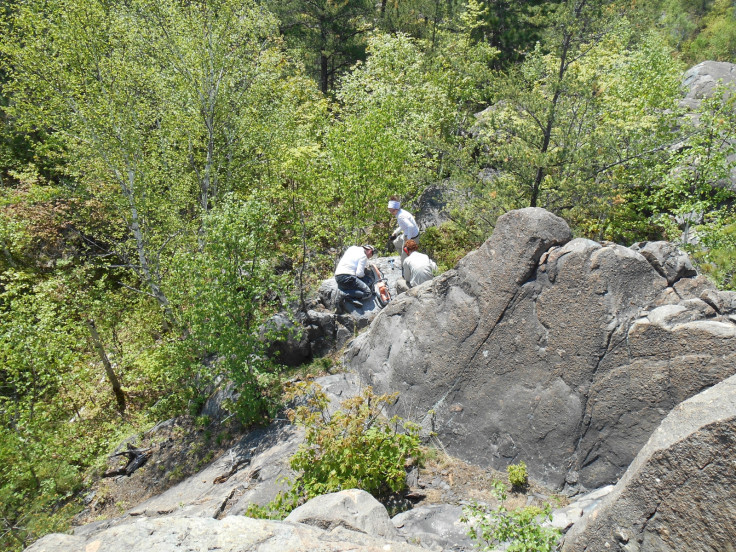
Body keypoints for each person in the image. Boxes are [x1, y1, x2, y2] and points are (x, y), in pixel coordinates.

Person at [334, 244, 376, 308]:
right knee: (368, 293)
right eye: (369, 256)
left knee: (357, 283)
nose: (368, 258)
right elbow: (359, 274)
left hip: (338, 276)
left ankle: (350, 296)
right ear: (370, 251)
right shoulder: (363, 256)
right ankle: (344, 294)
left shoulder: (352, 248)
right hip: (348, 277)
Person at [387, 196, 419, 265]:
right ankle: (404, 258)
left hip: (412, 237)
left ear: (395, 209)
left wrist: (408, 240)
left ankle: (405, 267)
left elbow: (410, 226)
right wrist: (395, 233)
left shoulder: (401, 216)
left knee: (404, 255)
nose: (390, 212)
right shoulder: (400, 212)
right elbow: (404, 226)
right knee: (396, 242)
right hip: (409, 234)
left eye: (391, 210)